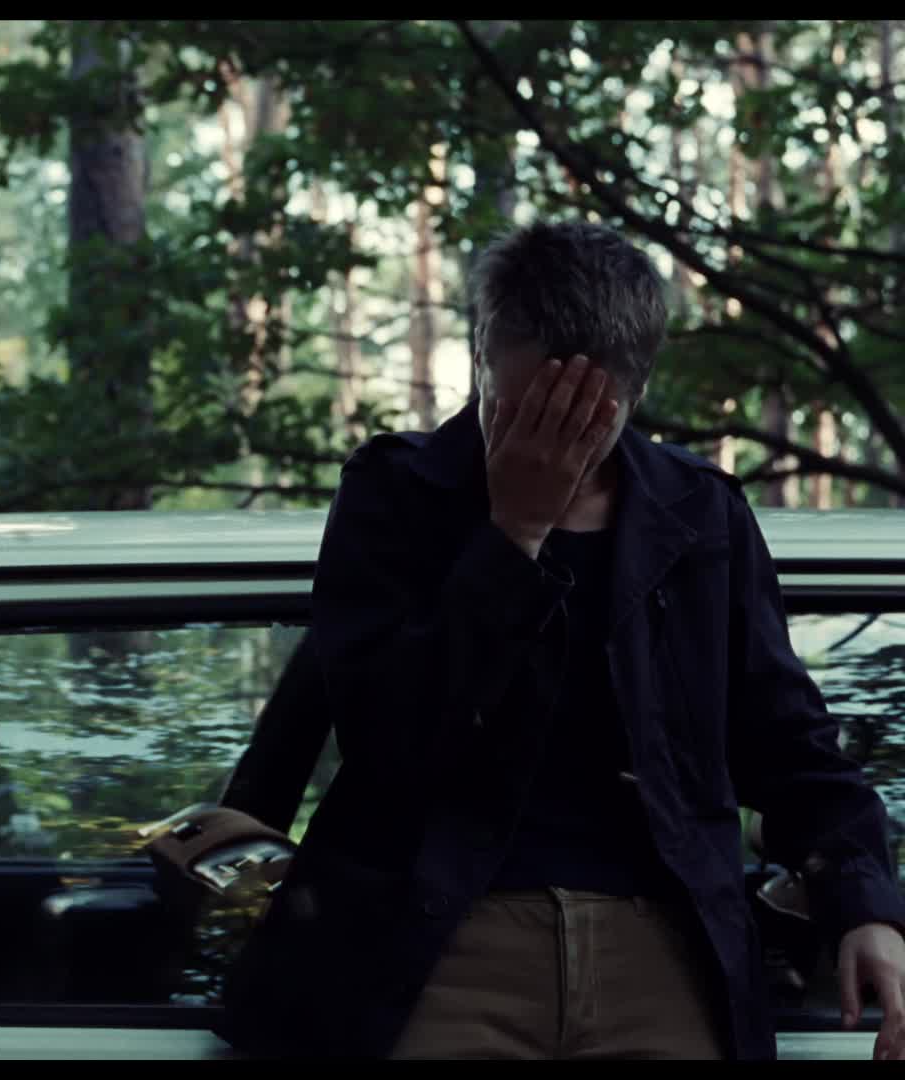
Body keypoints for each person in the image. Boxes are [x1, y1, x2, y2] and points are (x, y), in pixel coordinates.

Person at [215, 221, 905, 1060]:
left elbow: (788, 742)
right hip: (438, 941)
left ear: (633, 393)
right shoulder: (395, 493)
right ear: (481, 354)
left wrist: (863, 904)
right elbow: (388, 742)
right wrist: (514, 536)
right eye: (518, 409)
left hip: (661, 943)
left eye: (580, 419)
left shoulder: (698, 515)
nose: (544, 442)